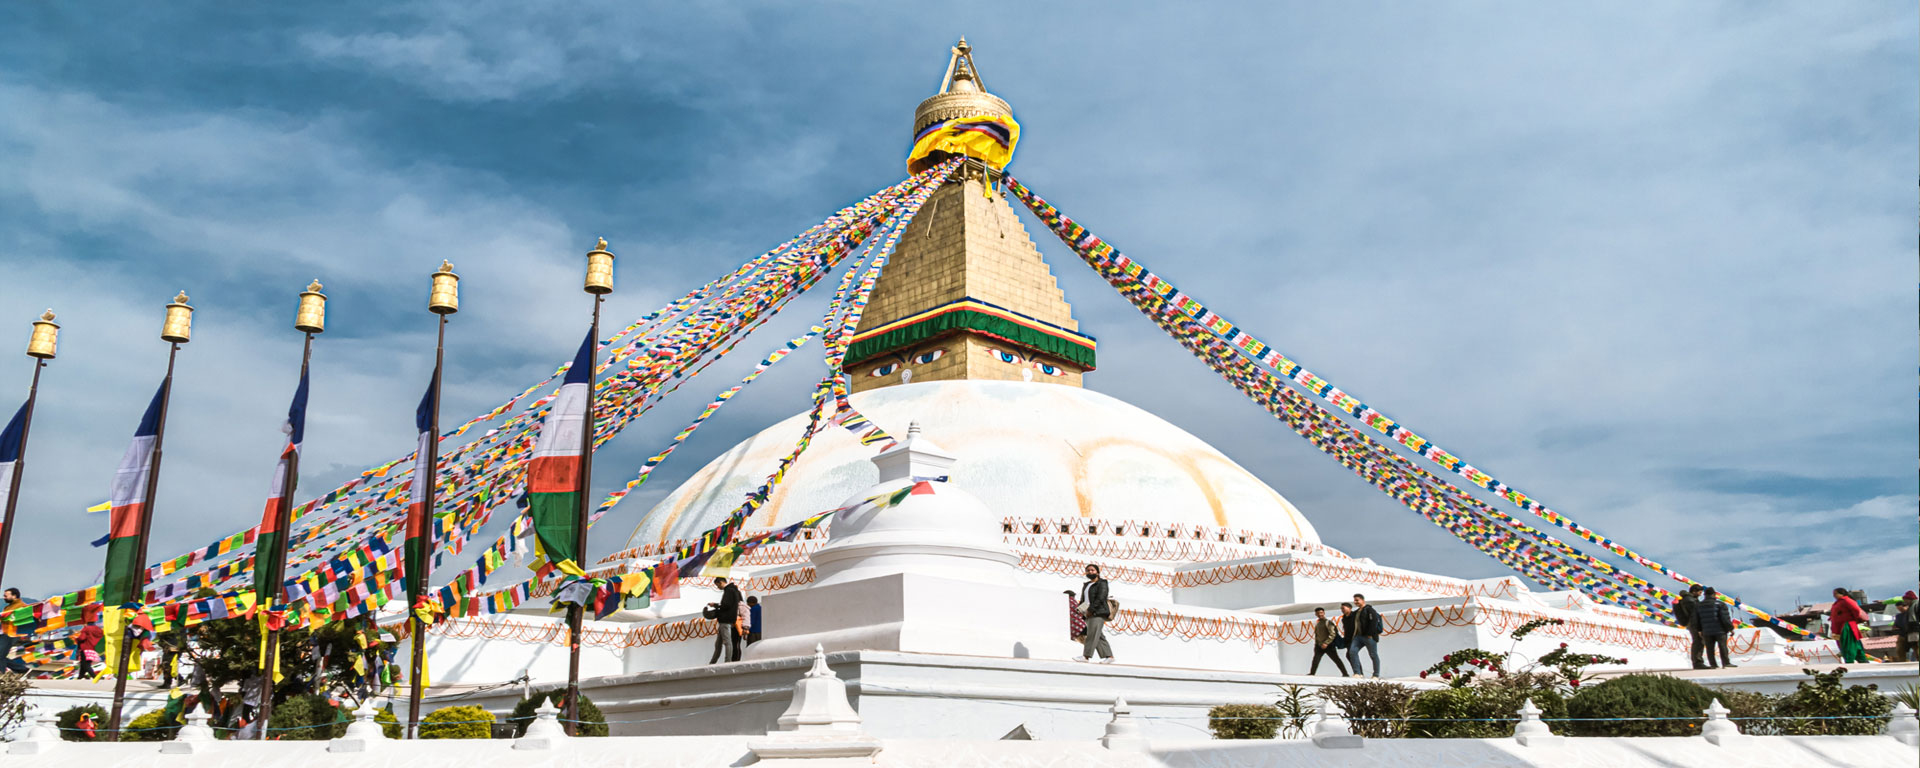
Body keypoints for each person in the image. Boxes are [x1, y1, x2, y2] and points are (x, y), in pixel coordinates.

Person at [1078, 564, 1113, 663]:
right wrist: (1080, 610)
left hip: (1097, 612)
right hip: (1087, 613)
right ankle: (1109, 656)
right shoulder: (1086, 585)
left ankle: (1086, 656)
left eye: (1092, 570)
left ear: (1097, 572)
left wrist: (1091, 610)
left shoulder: (1102, 583)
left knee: (1091, 635)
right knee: (1099, 636)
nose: (1090, 572)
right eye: (1088, 570)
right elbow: (1083, 600)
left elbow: (1101, 598)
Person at [1693, 587, 1735, 668]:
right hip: (1720, 630)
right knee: (1722, 646)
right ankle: (1726, 663)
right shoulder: (1720, 604)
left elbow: (1697, 619)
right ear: (1714, 594)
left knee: (1709, 648)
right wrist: (1730, 628)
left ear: (1705, 595)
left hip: (1706, 630)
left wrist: (1699, 630)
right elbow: (1725, 618)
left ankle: (1713, 664)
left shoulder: (1699, 605)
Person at [707, 577, 743, 664]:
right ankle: (713, 662)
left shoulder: (729, 591)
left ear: (721, 582)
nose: (718, 587)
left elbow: (726, 605)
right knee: (718, 643)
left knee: (727, 642)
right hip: (730, 619)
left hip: (726, 619)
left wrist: (715, 605)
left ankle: (727, 661)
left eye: (717, 585)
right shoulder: (736, 591)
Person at [1828, 587, 1869, 664]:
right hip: (1839, 627)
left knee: (1848, 644)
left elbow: (1856, 610)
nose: (1834, 596)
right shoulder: (1838, 602)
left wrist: (1854, 619)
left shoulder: (1846, 600)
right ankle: (1861, 659)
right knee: (1851, 644)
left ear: (1842, 593)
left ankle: (1850, 660)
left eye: (1835, 594)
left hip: (1847, 626)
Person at [1346, 593, 1382, 678]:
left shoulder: (1370, 610)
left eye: (1357, 600)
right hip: (1358, 637)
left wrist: (1370, 634)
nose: (1355, 602)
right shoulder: (1357, 612)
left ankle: (1376, 675)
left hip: (1369, 637)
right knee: (1352, 652)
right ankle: (1357, 673)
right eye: (1354, 600)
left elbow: (1374, 622)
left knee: (1373, 655)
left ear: (1362, 600)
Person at [1308, 607, 1348, 677]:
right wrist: (1317, 644)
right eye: (1318, 613)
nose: (1320, 614)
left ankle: (1345, 673)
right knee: (1315, 660)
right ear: (1316, 614)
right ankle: (1312, 673)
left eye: (1321, 613)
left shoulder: (1328, 622)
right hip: (1319, 645)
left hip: (1329, 645)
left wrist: (1326, 643)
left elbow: (1333, 633)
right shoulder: (1318, 623)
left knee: (1336, 660)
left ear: (1324, 613)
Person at [1673, 584, 1705, 669]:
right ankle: (1698, 662)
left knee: (1698, 642)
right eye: (1699, 592)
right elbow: (1695, 614)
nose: (1700, 594)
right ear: (1694, 591)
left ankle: (1698, 661)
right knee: (1698, 642)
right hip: (1694, 624)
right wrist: (1699, 627)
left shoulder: (1691, 599)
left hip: (1692, 623)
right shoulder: (1690, 601)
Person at [0, 588, 27, 674]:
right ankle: (21, 669)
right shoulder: (7, 607)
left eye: (6, 595)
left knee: (0, 655)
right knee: (1, 655)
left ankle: (2, 675)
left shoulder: (22, 606)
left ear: (14, 596)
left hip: (12, 634)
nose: (4, 597)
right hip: (4, 632)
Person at [1894, 591, 1918, 663]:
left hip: (1913, 632)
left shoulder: (1913, 608)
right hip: (1903, 634)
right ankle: (1902, 663)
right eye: (1898, 608)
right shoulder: (1898, 616)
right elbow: (1896, 626)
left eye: (1901, 608)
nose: (1900, 610)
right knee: (1900, 649)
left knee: (1916, 648)